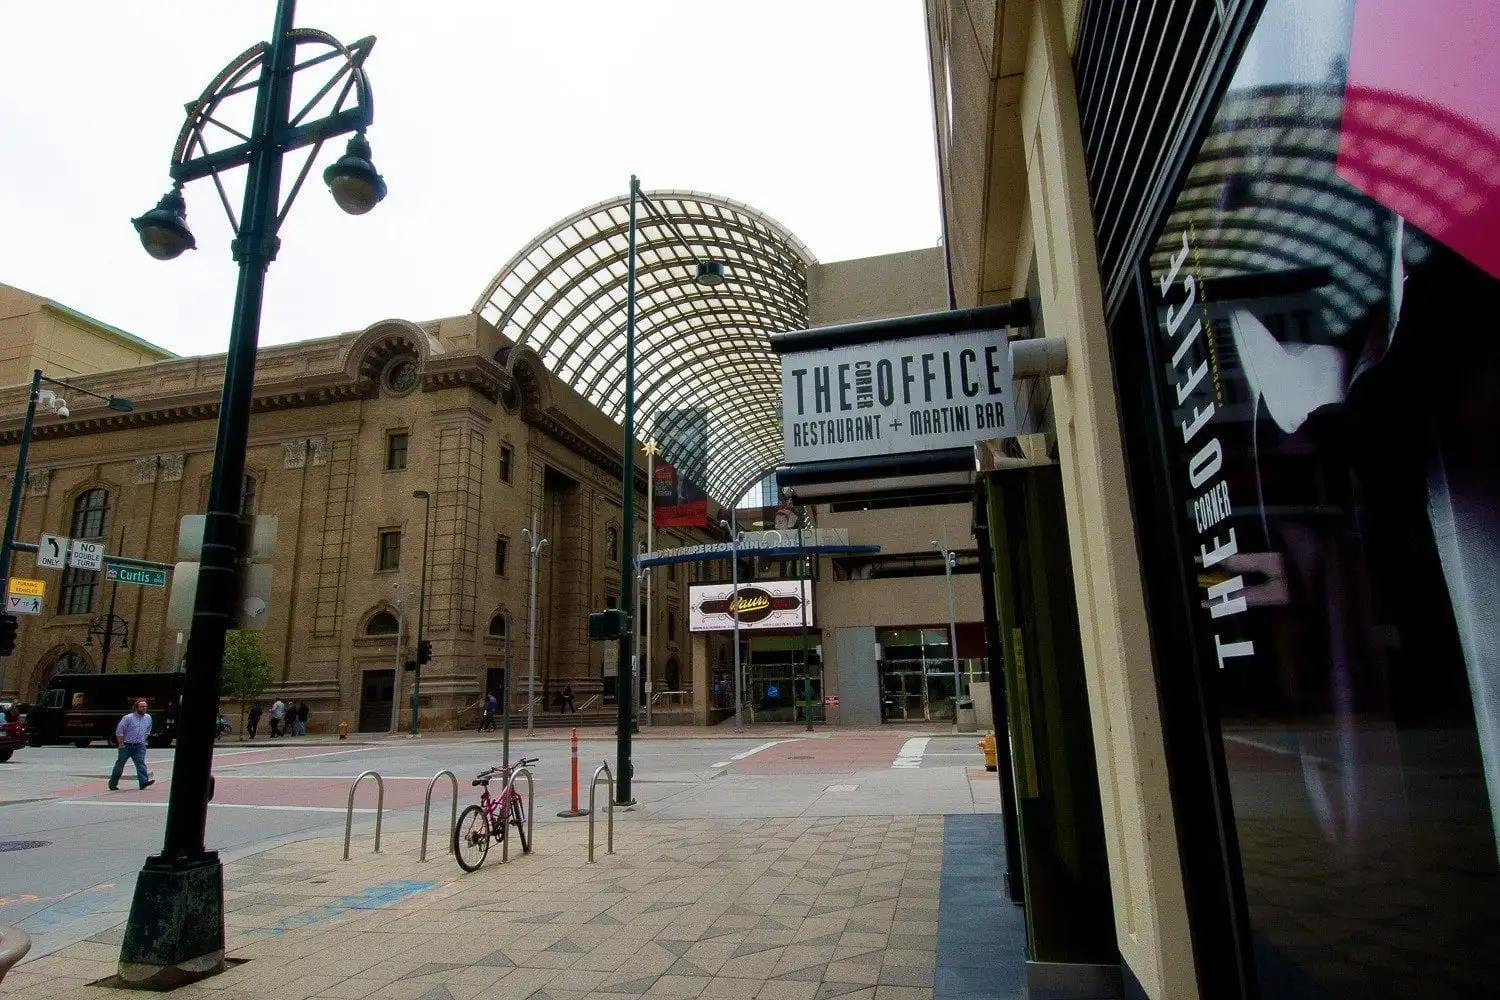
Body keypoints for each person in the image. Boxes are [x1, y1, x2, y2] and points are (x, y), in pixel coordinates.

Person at [109, 700, 155, 791]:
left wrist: (143, 740)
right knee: (120, 765)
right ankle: (113, 784)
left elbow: (148, 729)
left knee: (140, 763)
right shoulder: (128, 718)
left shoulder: (148, 717)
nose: (144, 708)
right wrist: (121, 743)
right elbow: (119, 731)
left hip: (139, 746)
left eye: (145, 706)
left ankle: (143, 782)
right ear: (136, 707)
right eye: (141, 706)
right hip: (126, 745)